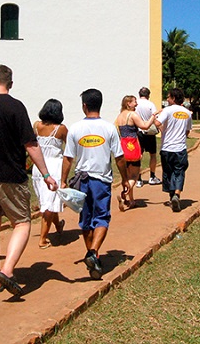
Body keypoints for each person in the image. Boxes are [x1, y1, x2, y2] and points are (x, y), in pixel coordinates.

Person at [0, 65, 58, 297]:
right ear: (11, 84)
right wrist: (46, 174)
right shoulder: (16, 107)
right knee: (22, 223)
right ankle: (7, 269)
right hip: (11, 177)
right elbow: (31, 144)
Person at [61, 88, 126, 280]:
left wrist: (63, 180)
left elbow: (68, 158)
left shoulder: (75, 128)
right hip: (101, 181)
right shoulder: (109, 128)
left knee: (86, 220)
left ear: (84, 106)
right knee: (102, 218)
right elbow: (119, 157)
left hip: (82, 181)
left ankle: (93, 255)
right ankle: (93, 252)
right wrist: (124, 179)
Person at [32, 99, 68, 249]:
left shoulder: (36, 126)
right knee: (49, 203)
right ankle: (42, 238)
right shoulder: (61, 129)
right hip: (54, 167)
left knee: (48, 200)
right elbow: (69, 149)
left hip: (38, 167)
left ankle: (58, 225)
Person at [114, 94, 158, 210]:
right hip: (132, 146)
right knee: (134, 175)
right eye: (134, 102)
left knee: (127, 174)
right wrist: (153, 116)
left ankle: (131, 200)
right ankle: (124, 195)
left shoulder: (120, 116)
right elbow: (145, 126)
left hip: (122, 146)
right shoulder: (132, 115)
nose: (136, 104)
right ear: (128, 103)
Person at [154, 87, 193, 213]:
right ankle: (177, 194)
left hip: (167, 148)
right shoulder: (187, 113)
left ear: (173, 98)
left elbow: (158, 123)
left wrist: (155, 117)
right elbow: (187, 130)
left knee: (168, 172)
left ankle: (172, 197)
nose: (167, 99)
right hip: (180, 148)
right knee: (179, 171)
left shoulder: (167, 110)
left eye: (168, 96)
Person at [135, 87, 161, 186]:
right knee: (153, 154)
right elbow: (155, 118)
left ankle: (138, 179)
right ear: (148, 95)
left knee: (139, 156)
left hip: (139, 132)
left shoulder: (136, 104)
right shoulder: (150, 104)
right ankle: (152, 176)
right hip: (149, 132)